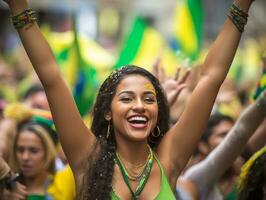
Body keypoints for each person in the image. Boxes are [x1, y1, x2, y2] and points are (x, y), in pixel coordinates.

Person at [2, 0, 255, 199]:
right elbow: (52, 77)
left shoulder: (169, 157)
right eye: (126, 98)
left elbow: (211, 77)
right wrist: (19, 8)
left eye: (148, 99)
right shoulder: (86, 157)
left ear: (158, 109)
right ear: (107, 111)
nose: (139, 106)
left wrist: (242, 5)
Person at [176, 90, 266, 200]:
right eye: (223, 135)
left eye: (230, 134)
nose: (229, 141)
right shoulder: (195, 178)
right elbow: (239, 134)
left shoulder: (246, 169)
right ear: (202, 145)